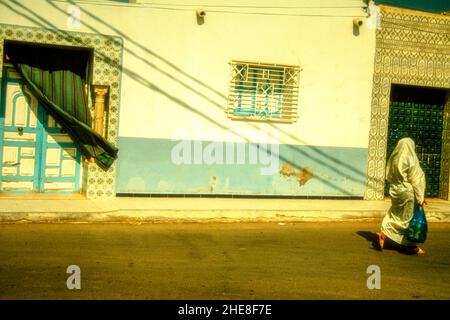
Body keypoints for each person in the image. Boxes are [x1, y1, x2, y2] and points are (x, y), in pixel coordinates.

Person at [377, 137, 427, 255]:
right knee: (408, 219)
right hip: (407, 192)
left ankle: (384, 233)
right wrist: (420, 198)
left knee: (395, 214)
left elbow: (388, 174)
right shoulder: (410, 159)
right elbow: (416, 179)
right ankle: (409, 247)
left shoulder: (394, 158)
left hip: (395, 191)